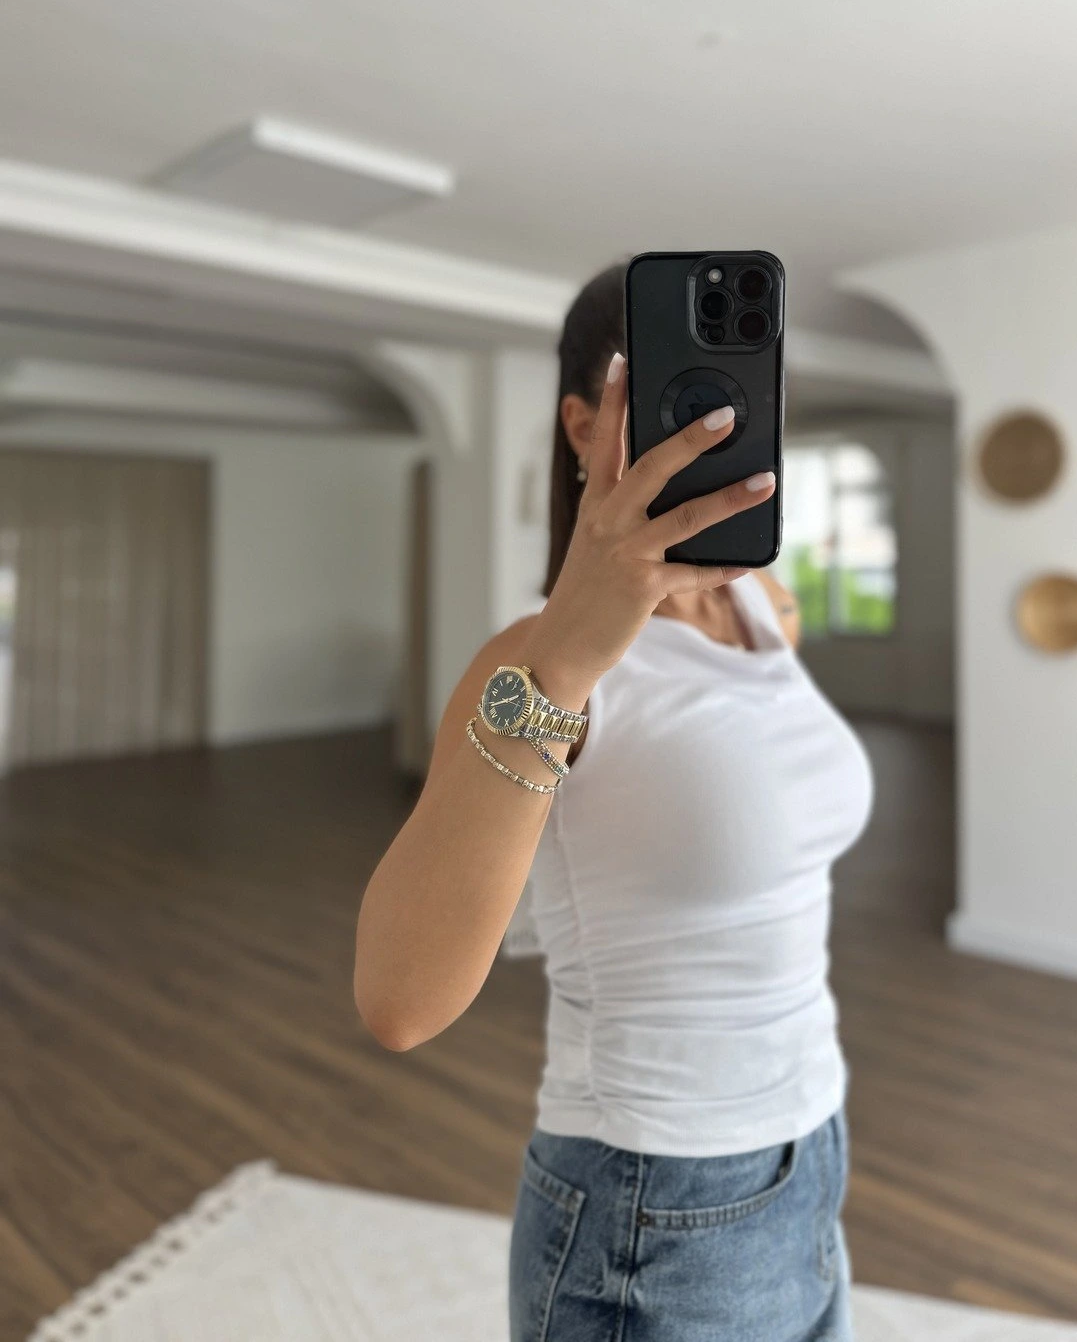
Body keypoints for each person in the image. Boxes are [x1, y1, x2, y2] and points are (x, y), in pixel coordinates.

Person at [355, 265, 873, 1341]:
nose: (711, 425)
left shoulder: (765, 607)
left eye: (738, 399)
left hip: (813, 1144)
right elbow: (400, 1002)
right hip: (652, 1196)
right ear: (585, 428)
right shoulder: (531, 664)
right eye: (671, 401)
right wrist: (564, 663)